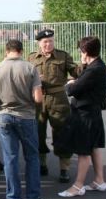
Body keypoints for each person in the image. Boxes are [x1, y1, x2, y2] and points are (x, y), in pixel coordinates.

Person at [0, 40, 47, 199]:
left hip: (5, 116)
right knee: (32, 157)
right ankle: (33, 198)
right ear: (21, 51)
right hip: (26, 116)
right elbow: (38, 98)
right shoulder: (30, 68)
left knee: (10, 158)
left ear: (6, 51)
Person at [58, 36, 106, 198]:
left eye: (81, 50)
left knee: (83, 151)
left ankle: (78, 186)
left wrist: (70, 84)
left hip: (85, 115)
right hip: (92, 113)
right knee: (93, 147)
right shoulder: (96, 65)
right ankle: (99, 180)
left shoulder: (94, 69)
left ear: (85, 51)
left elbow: (72, 90)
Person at [28, 29, 78, 183]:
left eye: (51, 41)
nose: (48, 44)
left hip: (58, 99)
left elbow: (76, 72)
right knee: (38, 134)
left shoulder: (62, 56)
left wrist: (85, 64)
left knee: (62, 134)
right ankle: (42, 164)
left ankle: (64, 169)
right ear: (39, 43)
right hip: (38, 100)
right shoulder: (31, 58)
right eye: (45, 42)